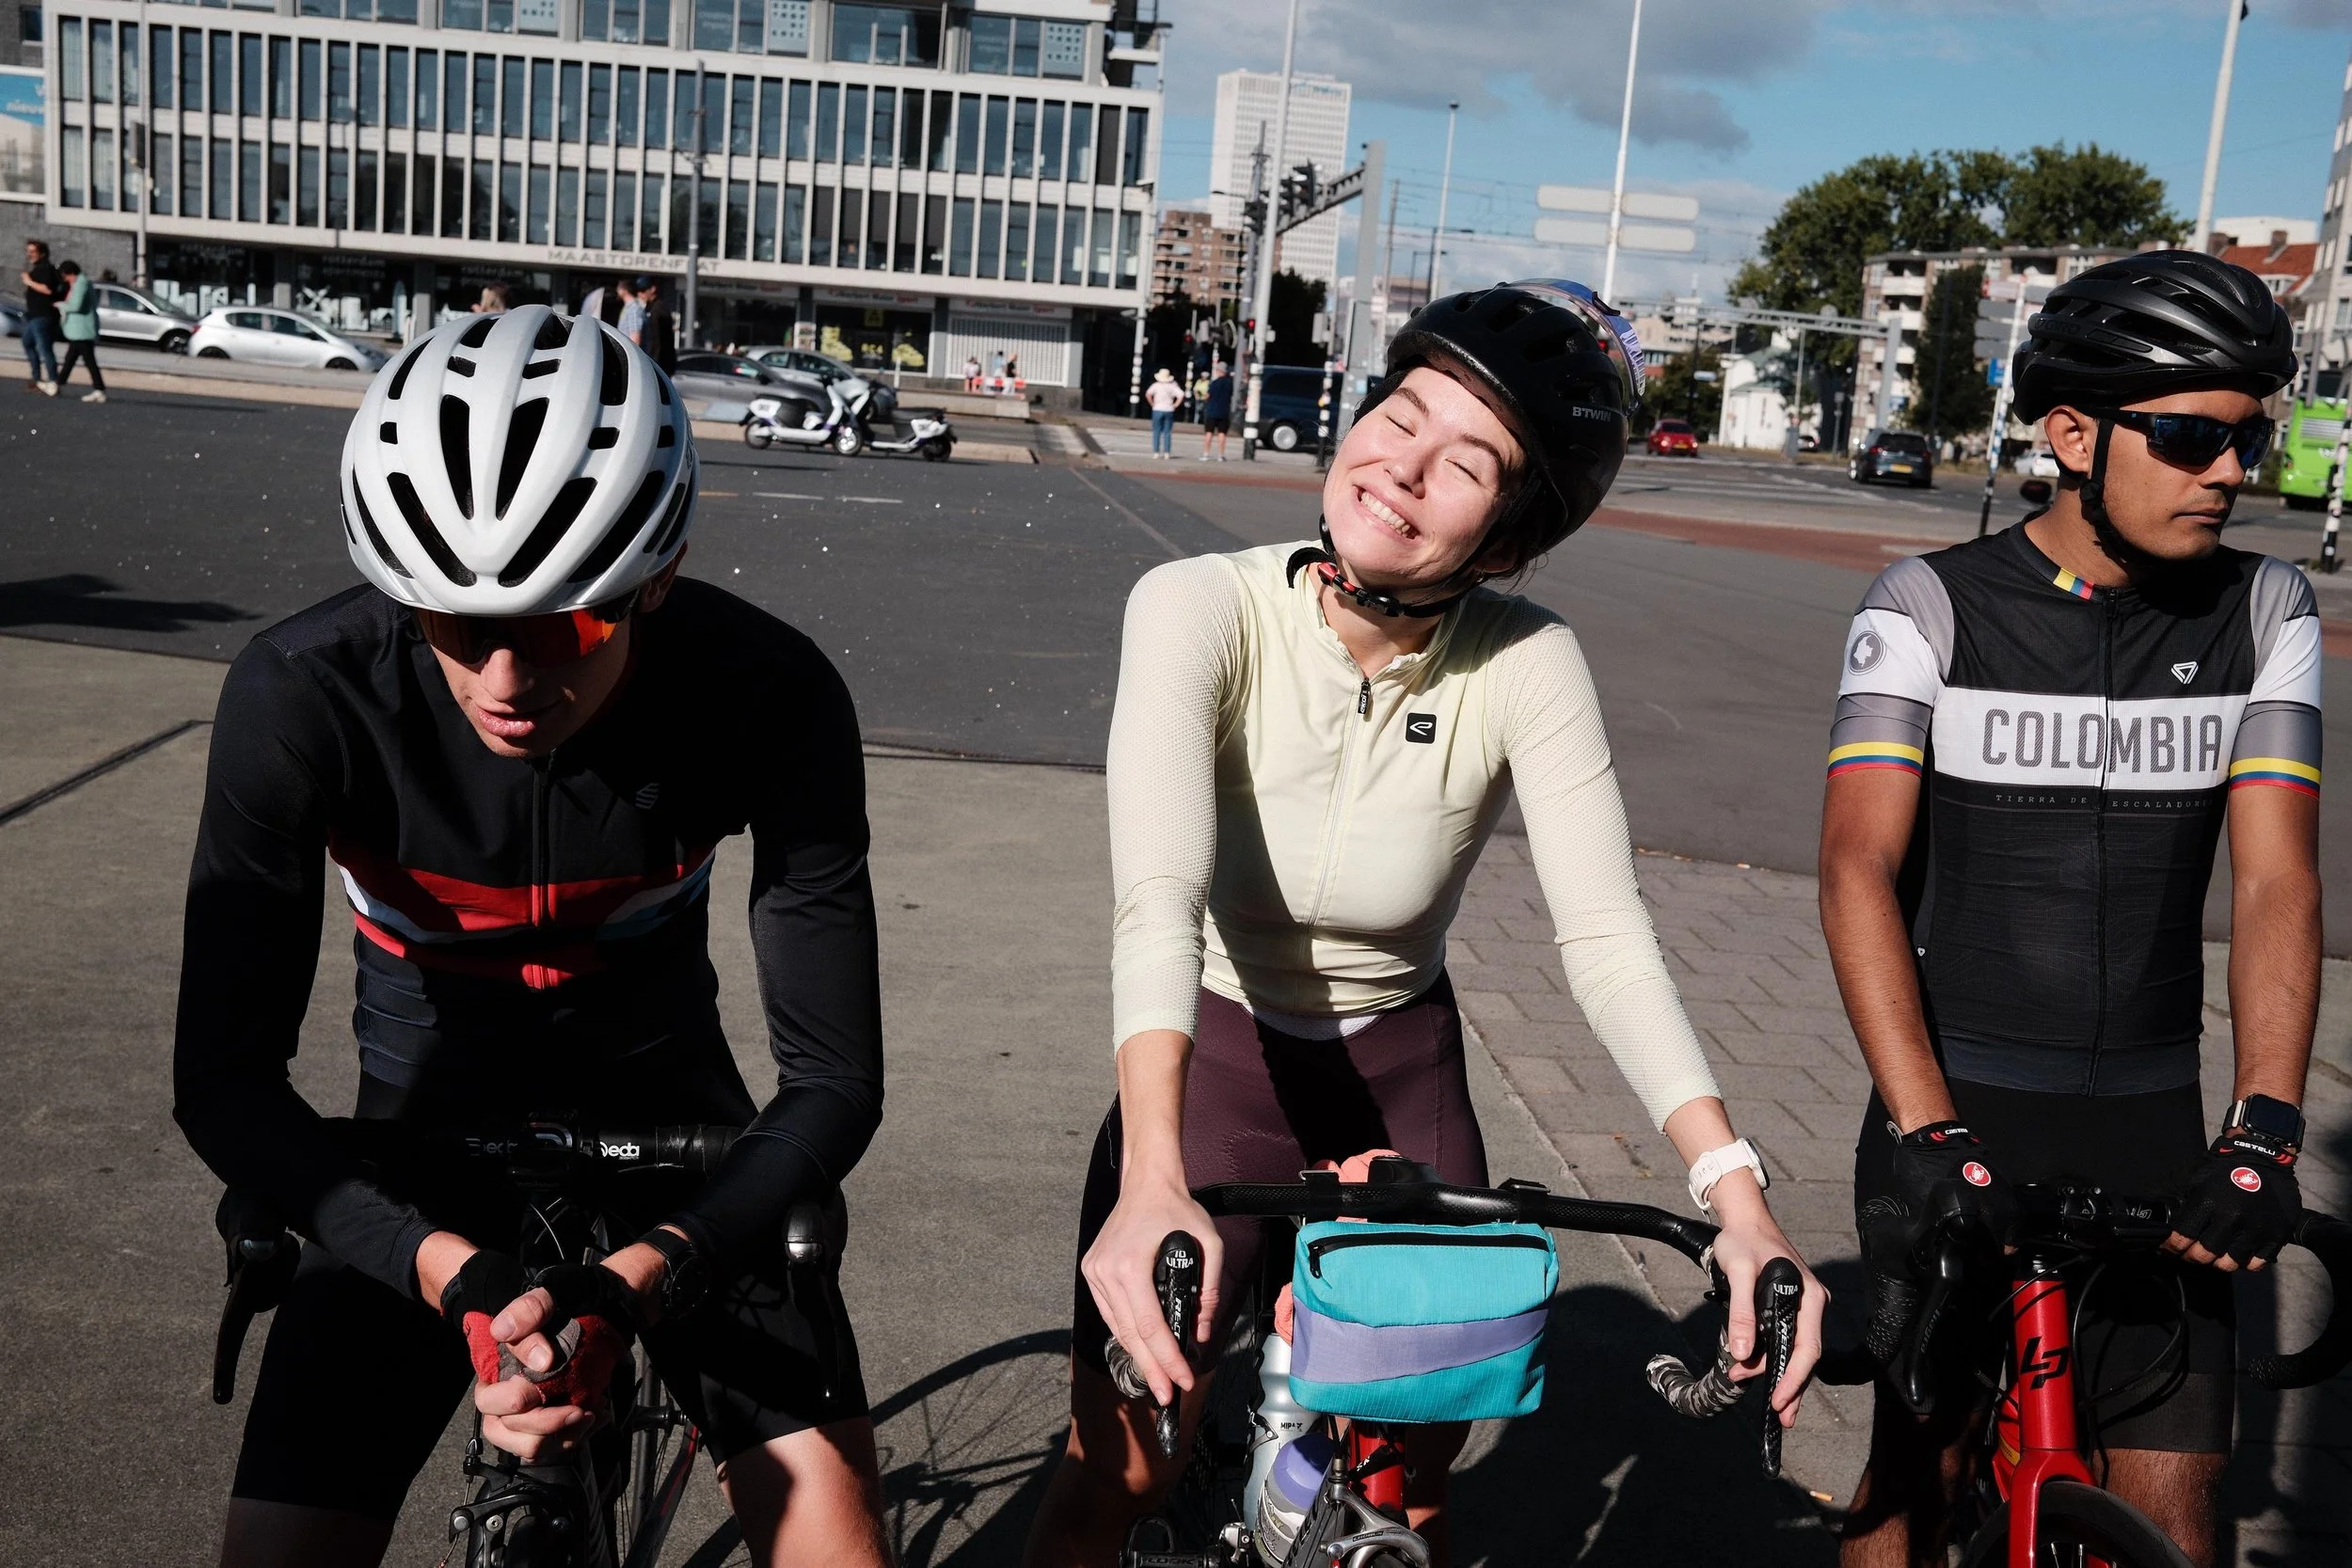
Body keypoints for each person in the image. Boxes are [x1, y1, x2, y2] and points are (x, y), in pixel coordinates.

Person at [1022, 280, 1828, 1568]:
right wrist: (1154, 1177)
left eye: (1465, 463)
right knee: (1118, 1461)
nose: (1400, 464)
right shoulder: (1200, 604)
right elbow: (1157, 896)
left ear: (1504, 541)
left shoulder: (1525, 659)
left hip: (1399, 1074)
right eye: (1401, 414)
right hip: (1215, 1062)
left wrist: (1738, 1196)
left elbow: (1608, 939)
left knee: (1408, 1489)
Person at [173, 306, 893, 1568]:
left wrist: (649, 1271)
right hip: (416, 1137)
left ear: (654, 581)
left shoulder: (767, 691)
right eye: (454, 623)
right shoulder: (304, 691)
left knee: (838, 1548)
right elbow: (222, 1075)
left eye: (564, 624)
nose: (506, 679)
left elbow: (834, 1076)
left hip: (674, 1123)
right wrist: (445, 1270)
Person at [1820, 251, 2317, 1568]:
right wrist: (1925, 1122)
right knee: (1906, 1487)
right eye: (2193, 438)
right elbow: (1855, 866)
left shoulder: (2268, 607)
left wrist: (2266, 1123)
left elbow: (2275, 877)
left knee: (2183, 1520)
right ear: (2071, 434)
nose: (2231, 471)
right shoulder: (1925, 603)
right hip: (1961, 1102)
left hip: (2154, 1119)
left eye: (2245, 439)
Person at [54, 260, 107, 404]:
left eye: (65, 276)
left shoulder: (81, 284)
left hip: (82, 329)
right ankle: (58, 383)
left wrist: (60, 305)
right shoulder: (81, 283)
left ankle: (99, 389)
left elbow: (75, 306)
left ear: (70, 273)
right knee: (70, 359)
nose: (65, 279)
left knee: (88, 361)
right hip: (80, 330)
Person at [20, 239, 63, 394]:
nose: (29, 255)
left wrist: (29, 282)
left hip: (43, 315)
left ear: (42, 253)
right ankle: (37, 378)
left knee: (45, 348)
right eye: (28, 251)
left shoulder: (45, 269)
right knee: (28, 343)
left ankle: (53, 380)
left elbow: (47, 290)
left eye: (33, 252)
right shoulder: (38, 269)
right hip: (34, 316)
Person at [637, 277, 677, 373]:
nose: (640, 294)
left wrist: (655, 363)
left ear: (652, 289)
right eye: (638, 291)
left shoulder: (659, 308)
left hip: (660, 362)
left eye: (643, 290)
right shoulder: (651, 307)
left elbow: (658, 339)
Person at [1196, 359, 1233, 461]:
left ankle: (1206, 454)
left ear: (1218, 371)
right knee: (1222, 433)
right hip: (1224, 411)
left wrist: (1203, 398)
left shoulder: (1214, 383)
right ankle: (1220, 455)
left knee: (1209, 432)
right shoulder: (1230, 384)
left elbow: (1208, 396)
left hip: (1212, 411)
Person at [1143, 366, 1184, 459]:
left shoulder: (1156, 385)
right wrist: (1175, 405)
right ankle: (1167, 452)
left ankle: (1156, 452)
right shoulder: (1173, 385)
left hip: (1157, 409)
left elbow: (1148, 394)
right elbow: (1181, 395)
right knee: (1167, 432)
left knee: (1156, 431)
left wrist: (1152, 404)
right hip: (1169, 409)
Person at [617, 278, 647, 348]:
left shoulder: (634, 309)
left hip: (630, 354)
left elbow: (635, 338)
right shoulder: (628, 307)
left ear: (624, 290)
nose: (617, 290)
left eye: (619, 287)